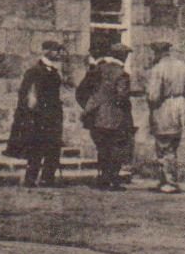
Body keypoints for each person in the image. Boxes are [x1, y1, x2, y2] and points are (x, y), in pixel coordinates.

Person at [7, 41, 66, 187]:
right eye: (55, 50)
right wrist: (30, 114)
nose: (58, 53)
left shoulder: (54, 71)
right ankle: (30, 179)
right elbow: (26, 94)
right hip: (39, 116)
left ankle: (48, 178)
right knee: (36, 148)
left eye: (59, 51)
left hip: (53, 116)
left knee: (53, 147)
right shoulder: (34, 70)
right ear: (45, 51)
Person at [77, 43, 134, 191]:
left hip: (97, 117)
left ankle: (103, 179)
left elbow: (82, 91)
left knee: (102, 149)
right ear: (124, 56)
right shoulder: (122, 74)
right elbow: (122, 97)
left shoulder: (98, 70)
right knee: (116, 148)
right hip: (115, 117)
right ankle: (113, 180)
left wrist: (89, 107)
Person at [145, 42, 185, 194]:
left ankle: (170, 182)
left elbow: (153, 95)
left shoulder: (158, 69)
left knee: (164, 145)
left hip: (164, 108)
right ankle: (165, 180)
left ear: (158, 53)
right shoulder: (182, 66)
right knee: (173, 145)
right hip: (180, 107)